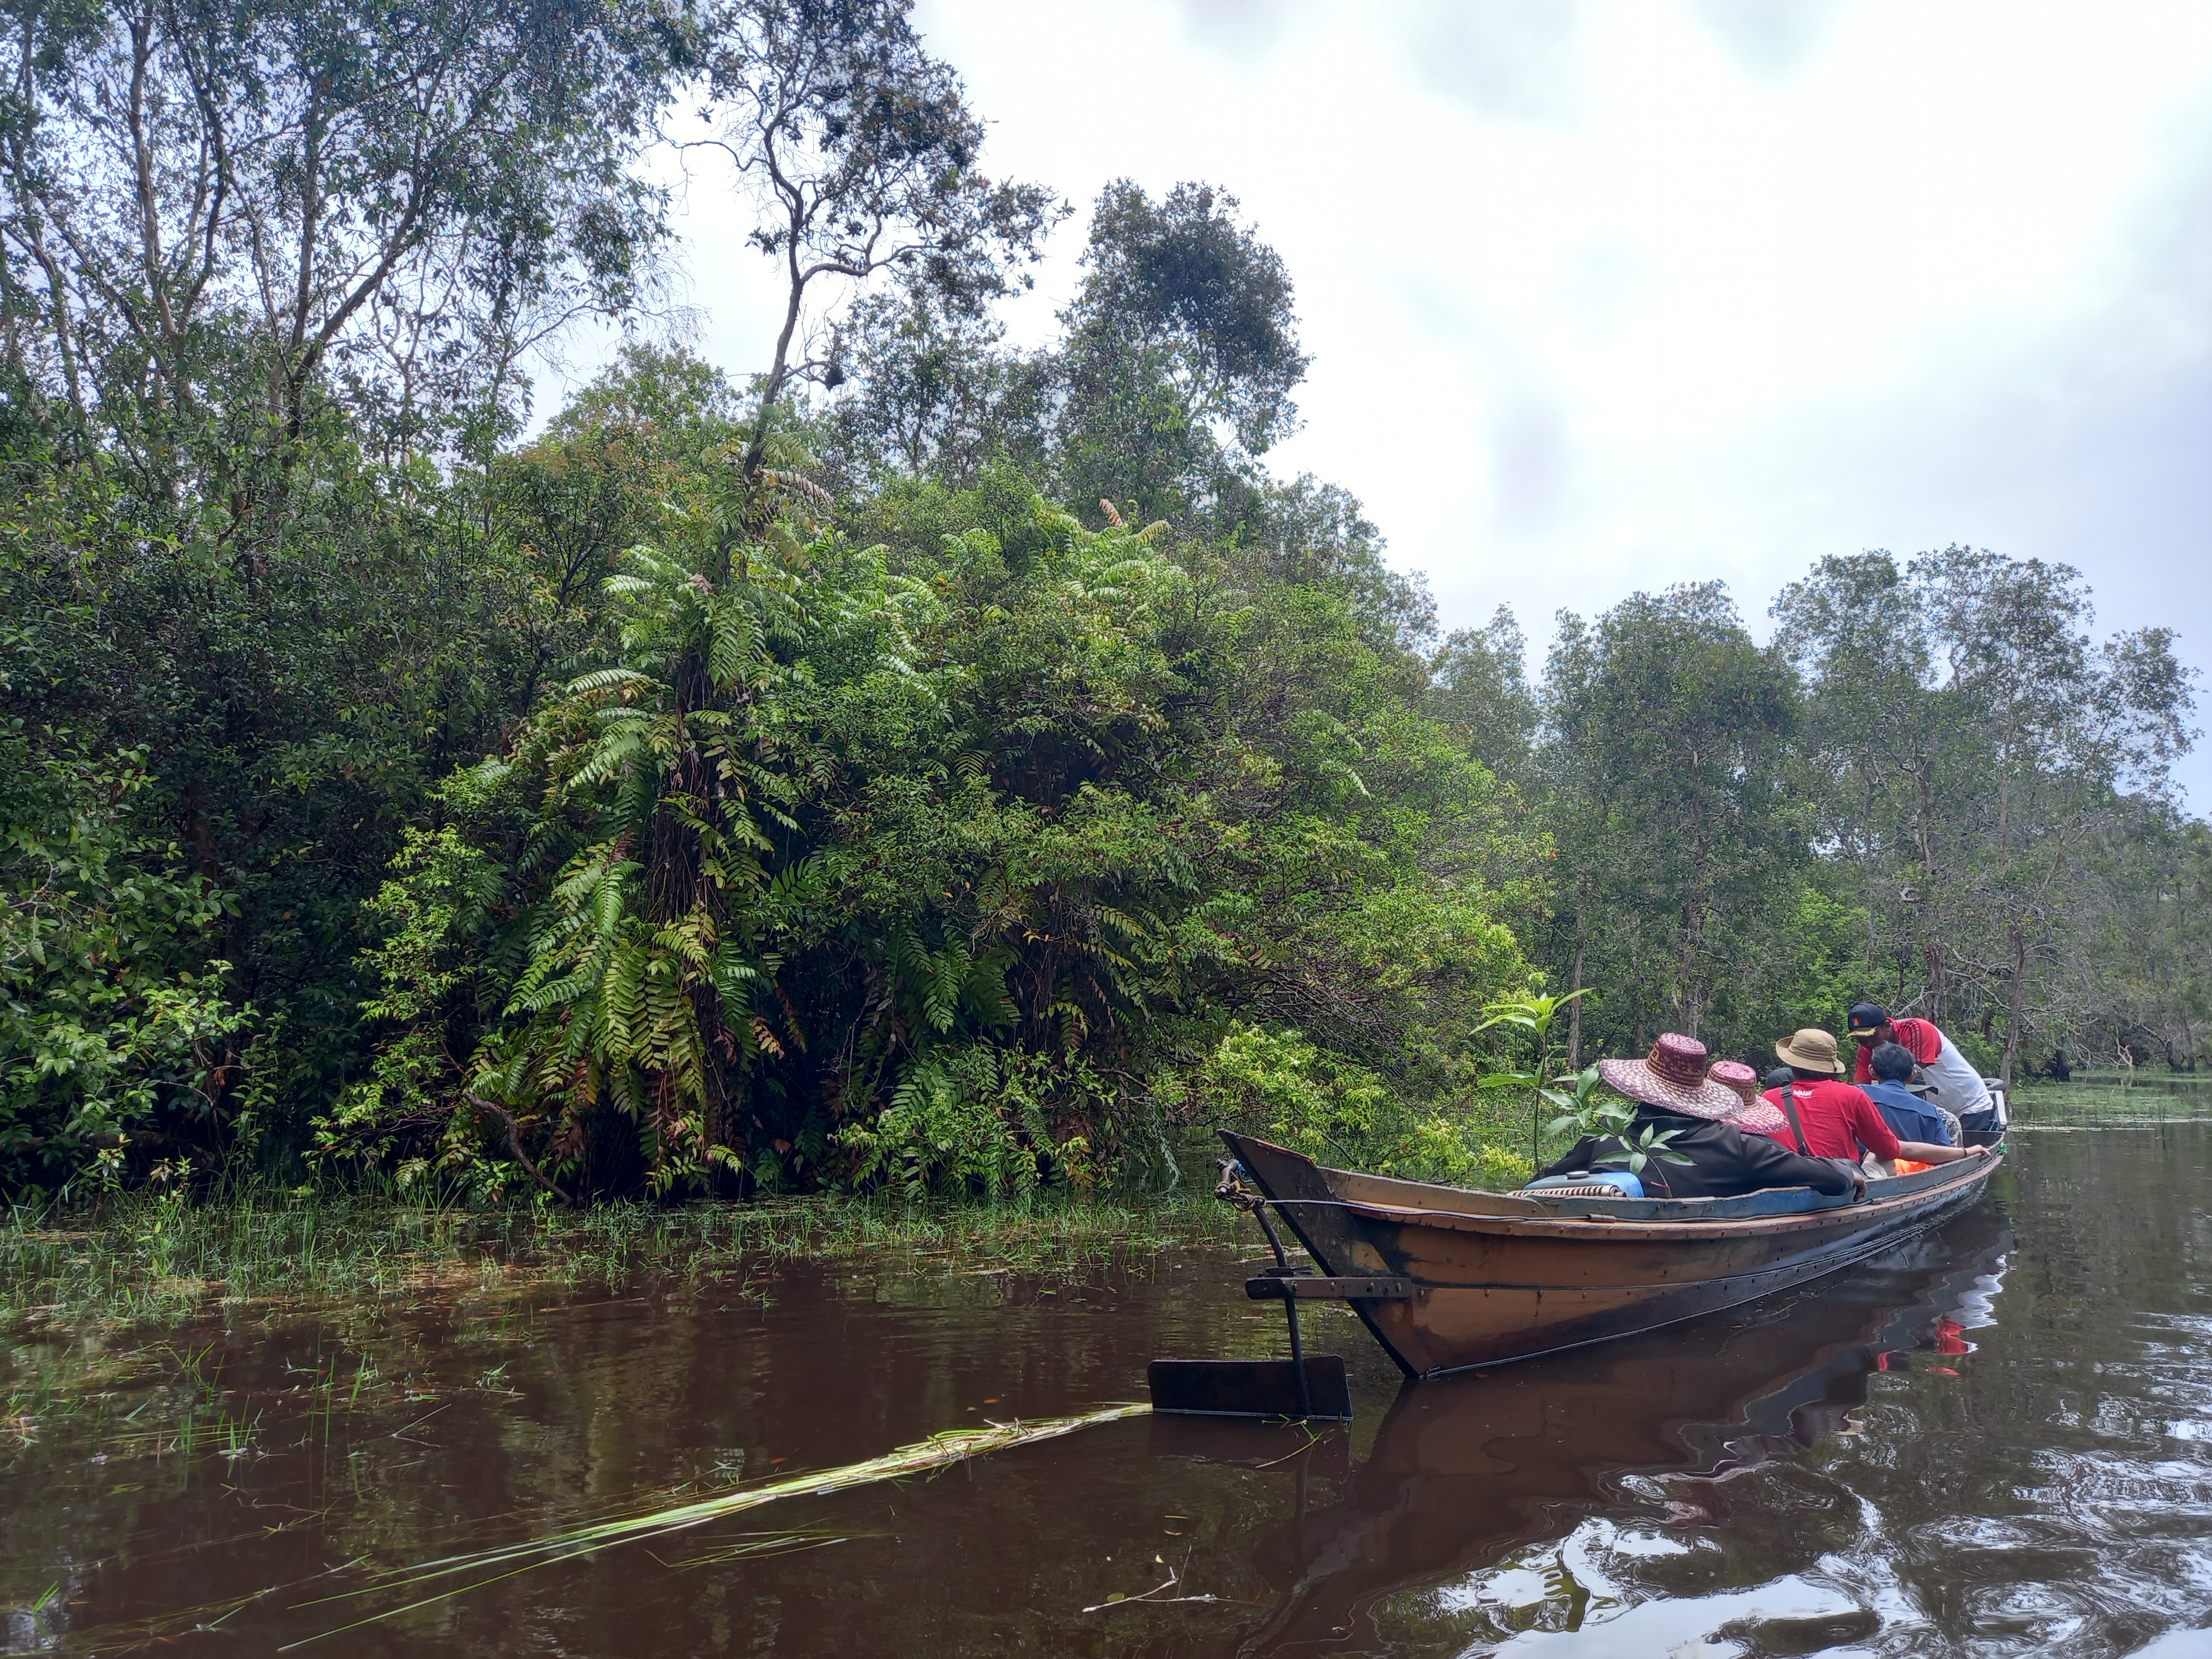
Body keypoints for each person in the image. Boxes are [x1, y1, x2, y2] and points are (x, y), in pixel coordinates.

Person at [1534, 1033, 1861, 1201]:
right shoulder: (1734, 1145)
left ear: (1643, 1087)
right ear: (1699, 1092)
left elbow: (1547, 1179)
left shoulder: (1608, 1128)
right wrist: (1849, 1174)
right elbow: (1830, 1179)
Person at [1754, 1028, 1987, 1172]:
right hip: (1841, 1183)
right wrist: (1965, 1153)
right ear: (1911, 1075)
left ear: (1791, 1064)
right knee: (1880, 1158)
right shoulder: (1850, 1095)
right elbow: (1892, 1149)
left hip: (1786, 1179)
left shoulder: (1769, 1097)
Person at [1846, 1002, 1994, 1128]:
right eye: (1860, 1039)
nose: (1868, 1043)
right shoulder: (1868, 1048)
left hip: (1967, 1107)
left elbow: (1910, 1082)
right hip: (1937, 1114)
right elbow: (1861, 1089)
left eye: (1872, 1036)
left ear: (1887, 1026)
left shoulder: (1917, 1030)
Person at [1859, 1040, 1956, 1147]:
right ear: (1912, 1075)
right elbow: (1944, 1152)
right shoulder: (1930, 1111)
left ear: (1872, 1070)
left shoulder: (1858, 1094)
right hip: (1917, 1159)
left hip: (1862, 1158)